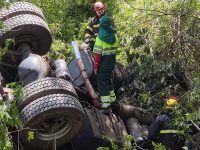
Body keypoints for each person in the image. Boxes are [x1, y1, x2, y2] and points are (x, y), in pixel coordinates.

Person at [93, 15, 118, 113]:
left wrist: (95, 67)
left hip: (103, 66)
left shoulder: (100, 38)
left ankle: (106, 106)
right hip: (111, 64)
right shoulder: (114, 37)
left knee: (102, 84)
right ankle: (113, 101)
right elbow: (115, 52)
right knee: (108, 82)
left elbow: (98, 56)